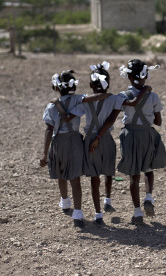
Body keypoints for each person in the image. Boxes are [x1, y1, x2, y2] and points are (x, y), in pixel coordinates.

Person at [56, 62, 152, 225]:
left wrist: (57, 103)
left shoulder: (85, 101)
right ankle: (108, 199)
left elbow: (68, 117)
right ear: (109, 83)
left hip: (89, 141)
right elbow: (131, 105)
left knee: (94, 178)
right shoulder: (115, 99)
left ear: (91, 85)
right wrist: (145, 89)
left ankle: (98, 214)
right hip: (106, 140)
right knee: (108, 173)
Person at [90, 59, 166, 225]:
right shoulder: (153, 96)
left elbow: (112, 118)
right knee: (148, 168)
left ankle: (137, 213)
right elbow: (158, 122)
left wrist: (99, 135)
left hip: (130, 136)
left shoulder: (122, 96)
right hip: (147, 135)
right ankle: (148, 197)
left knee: (134, 174)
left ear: (129, 77)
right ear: (146, 76)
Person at [40, 70, 111, 228]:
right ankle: (78, 213)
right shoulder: (79, 99)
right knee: (75, 178)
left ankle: (65, 201)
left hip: (59, 141)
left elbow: (48, 129)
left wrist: (44, 152)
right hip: (76, 141)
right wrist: (105, 94)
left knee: (61, 172)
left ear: (57, 88)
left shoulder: (51, 106)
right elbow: (94, 97)